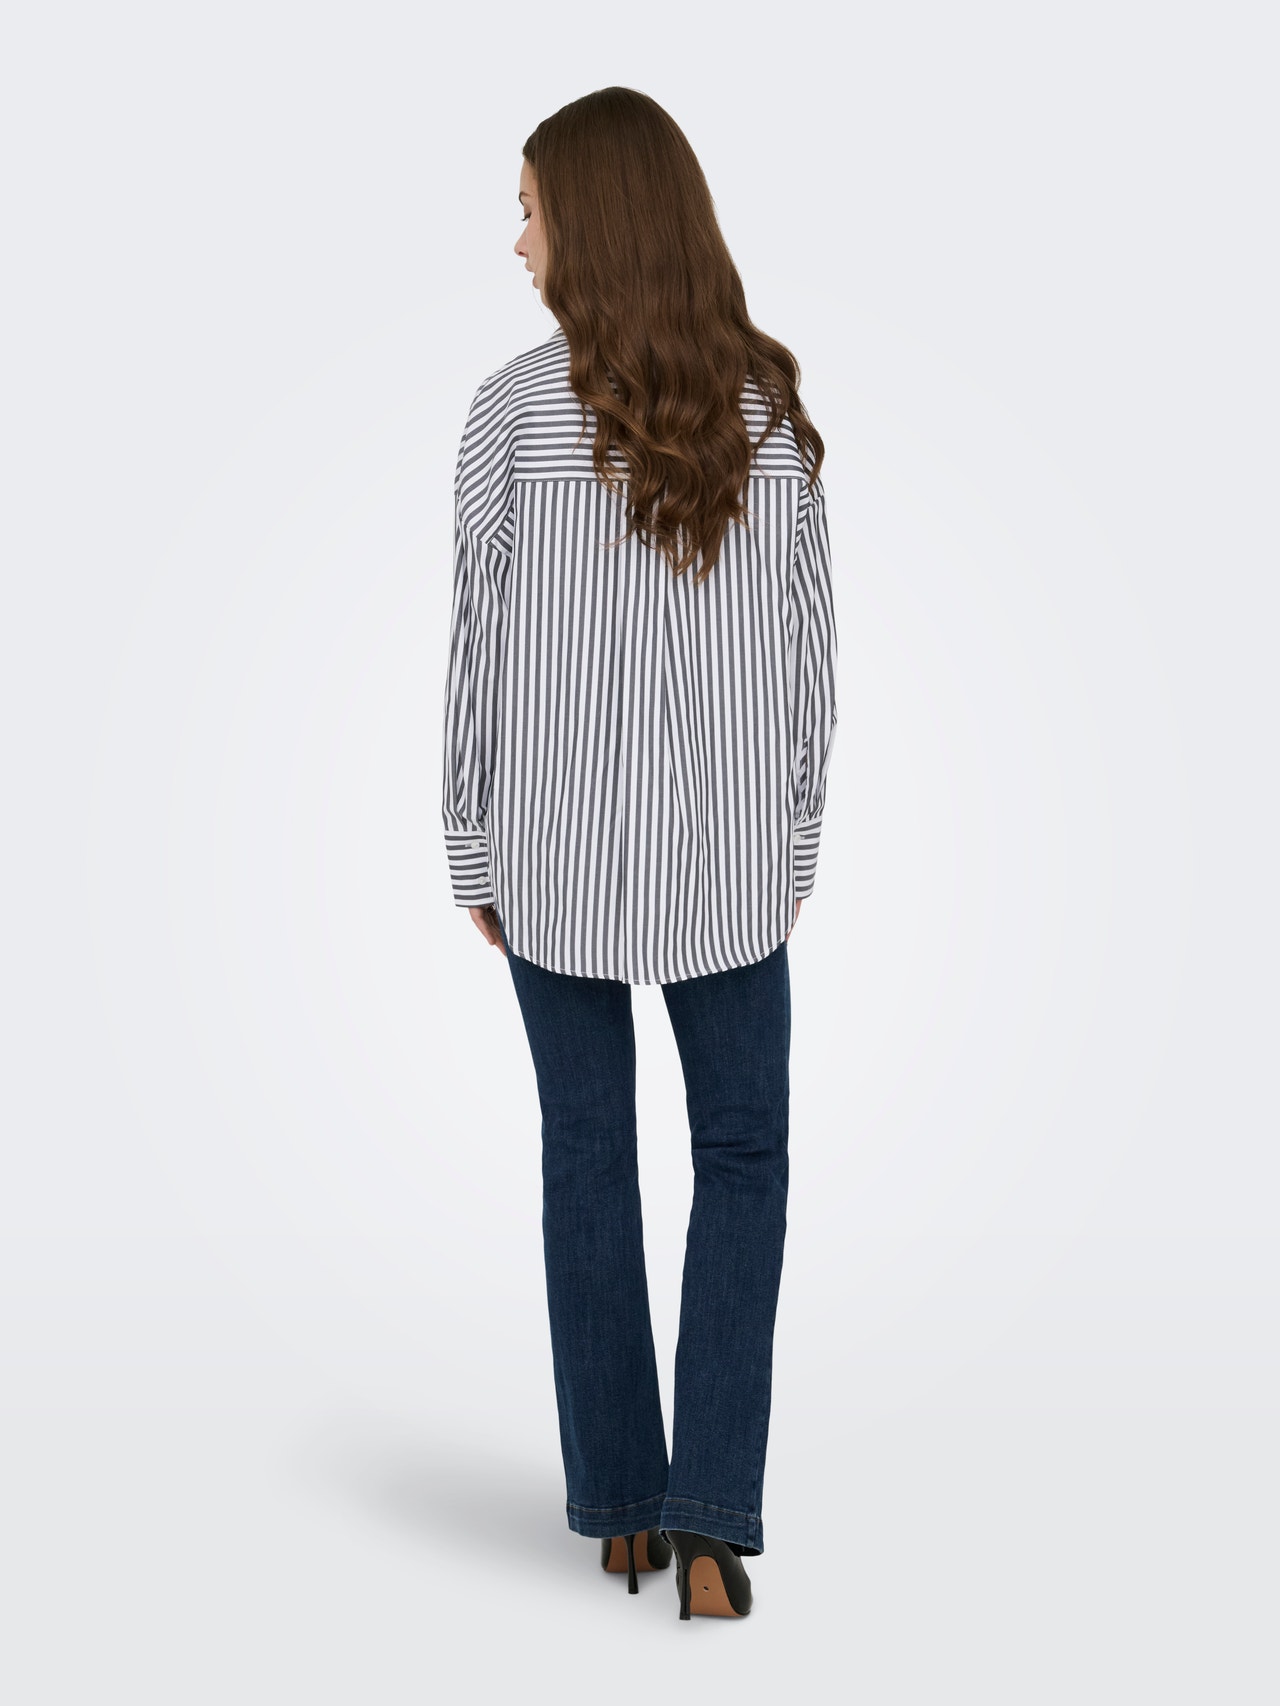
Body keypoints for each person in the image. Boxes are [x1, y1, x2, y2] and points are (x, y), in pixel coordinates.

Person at [441, 87, 838, 1621]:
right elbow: (810, 662)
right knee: (743, 1155)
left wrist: (470, 840)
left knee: (585, 1153)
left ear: (593, 221)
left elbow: (475, 653)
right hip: (732, 867)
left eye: (530, 207)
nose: (518, 239)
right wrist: (791, 840)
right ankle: (712, 1523)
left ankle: (618, 1504)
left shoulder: (506, 414)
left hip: (552, 859)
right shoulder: (765, 416)